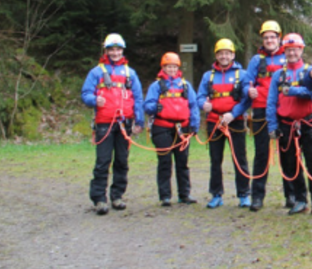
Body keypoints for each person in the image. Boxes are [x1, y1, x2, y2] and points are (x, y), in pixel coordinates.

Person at [80, 33, 144, 215]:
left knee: (122, 161)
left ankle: (117, 196)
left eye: (118, 49)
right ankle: (99, 199)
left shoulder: (130, 73)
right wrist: (94, 100)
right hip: (104, 123)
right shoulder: (96, 72)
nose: (115, 53)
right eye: (111, 49)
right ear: (106, 51)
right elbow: (85, 94)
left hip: (125, 124)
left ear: (122, 51)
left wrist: (139, 120)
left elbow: (138, 98)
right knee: (103, 161)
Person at [266, 33, 312, 215]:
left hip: (308, 123)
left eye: (295, 49)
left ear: (301, 50)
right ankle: (300, 200)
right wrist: (272, 127)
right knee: (291, 164)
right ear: (284, 51)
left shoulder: (310, 72)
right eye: (288, 50)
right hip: (286, 125)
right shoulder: (278, 75)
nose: (292, 53)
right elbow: (271, 102)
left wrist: (292, 90)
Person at [197, 38, 252, 209]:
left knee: (240, 159)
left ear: (233, 55)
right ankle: (216, 194)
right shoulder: (208, 76)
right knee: (215, 159)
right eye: (221, 53)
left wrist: (233, 114)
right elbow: (199, 96)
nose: (224, 56)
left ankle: (244, 194)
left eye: (227, 53)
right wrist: (203, 104)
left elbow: (246, 99)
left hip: (234, 122)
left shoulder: (241, 75)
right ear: (216, 55)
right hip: (214, 122)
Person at [143, 52, 199, 206]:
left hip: (182, 129)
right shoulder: (157, 86)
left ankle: (184, 194)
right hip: (162, 128)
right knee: (165, 162)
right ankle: (165, 196)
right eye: (169, 67)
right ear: (163, 68)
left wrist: (195, 124)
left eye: (174, 67)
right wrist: (155, 107)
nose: (172, 70)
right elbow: (147, 105)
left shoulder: (185, 85)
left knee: (182, 162)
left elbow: (193, 105)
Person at [245, 20, 289, 211]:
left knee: (288, 153)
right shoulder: (256, 60)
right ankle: (257, 196)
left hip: (284, 108)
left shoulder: (287, 58)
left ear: (279, 38)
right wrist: (249, 90)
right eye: (266, 37)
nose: (269, 40)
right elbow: (247, 81)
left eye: (273, 37)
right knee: (261, 153)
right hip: (261, 109)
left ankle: (292, 195)